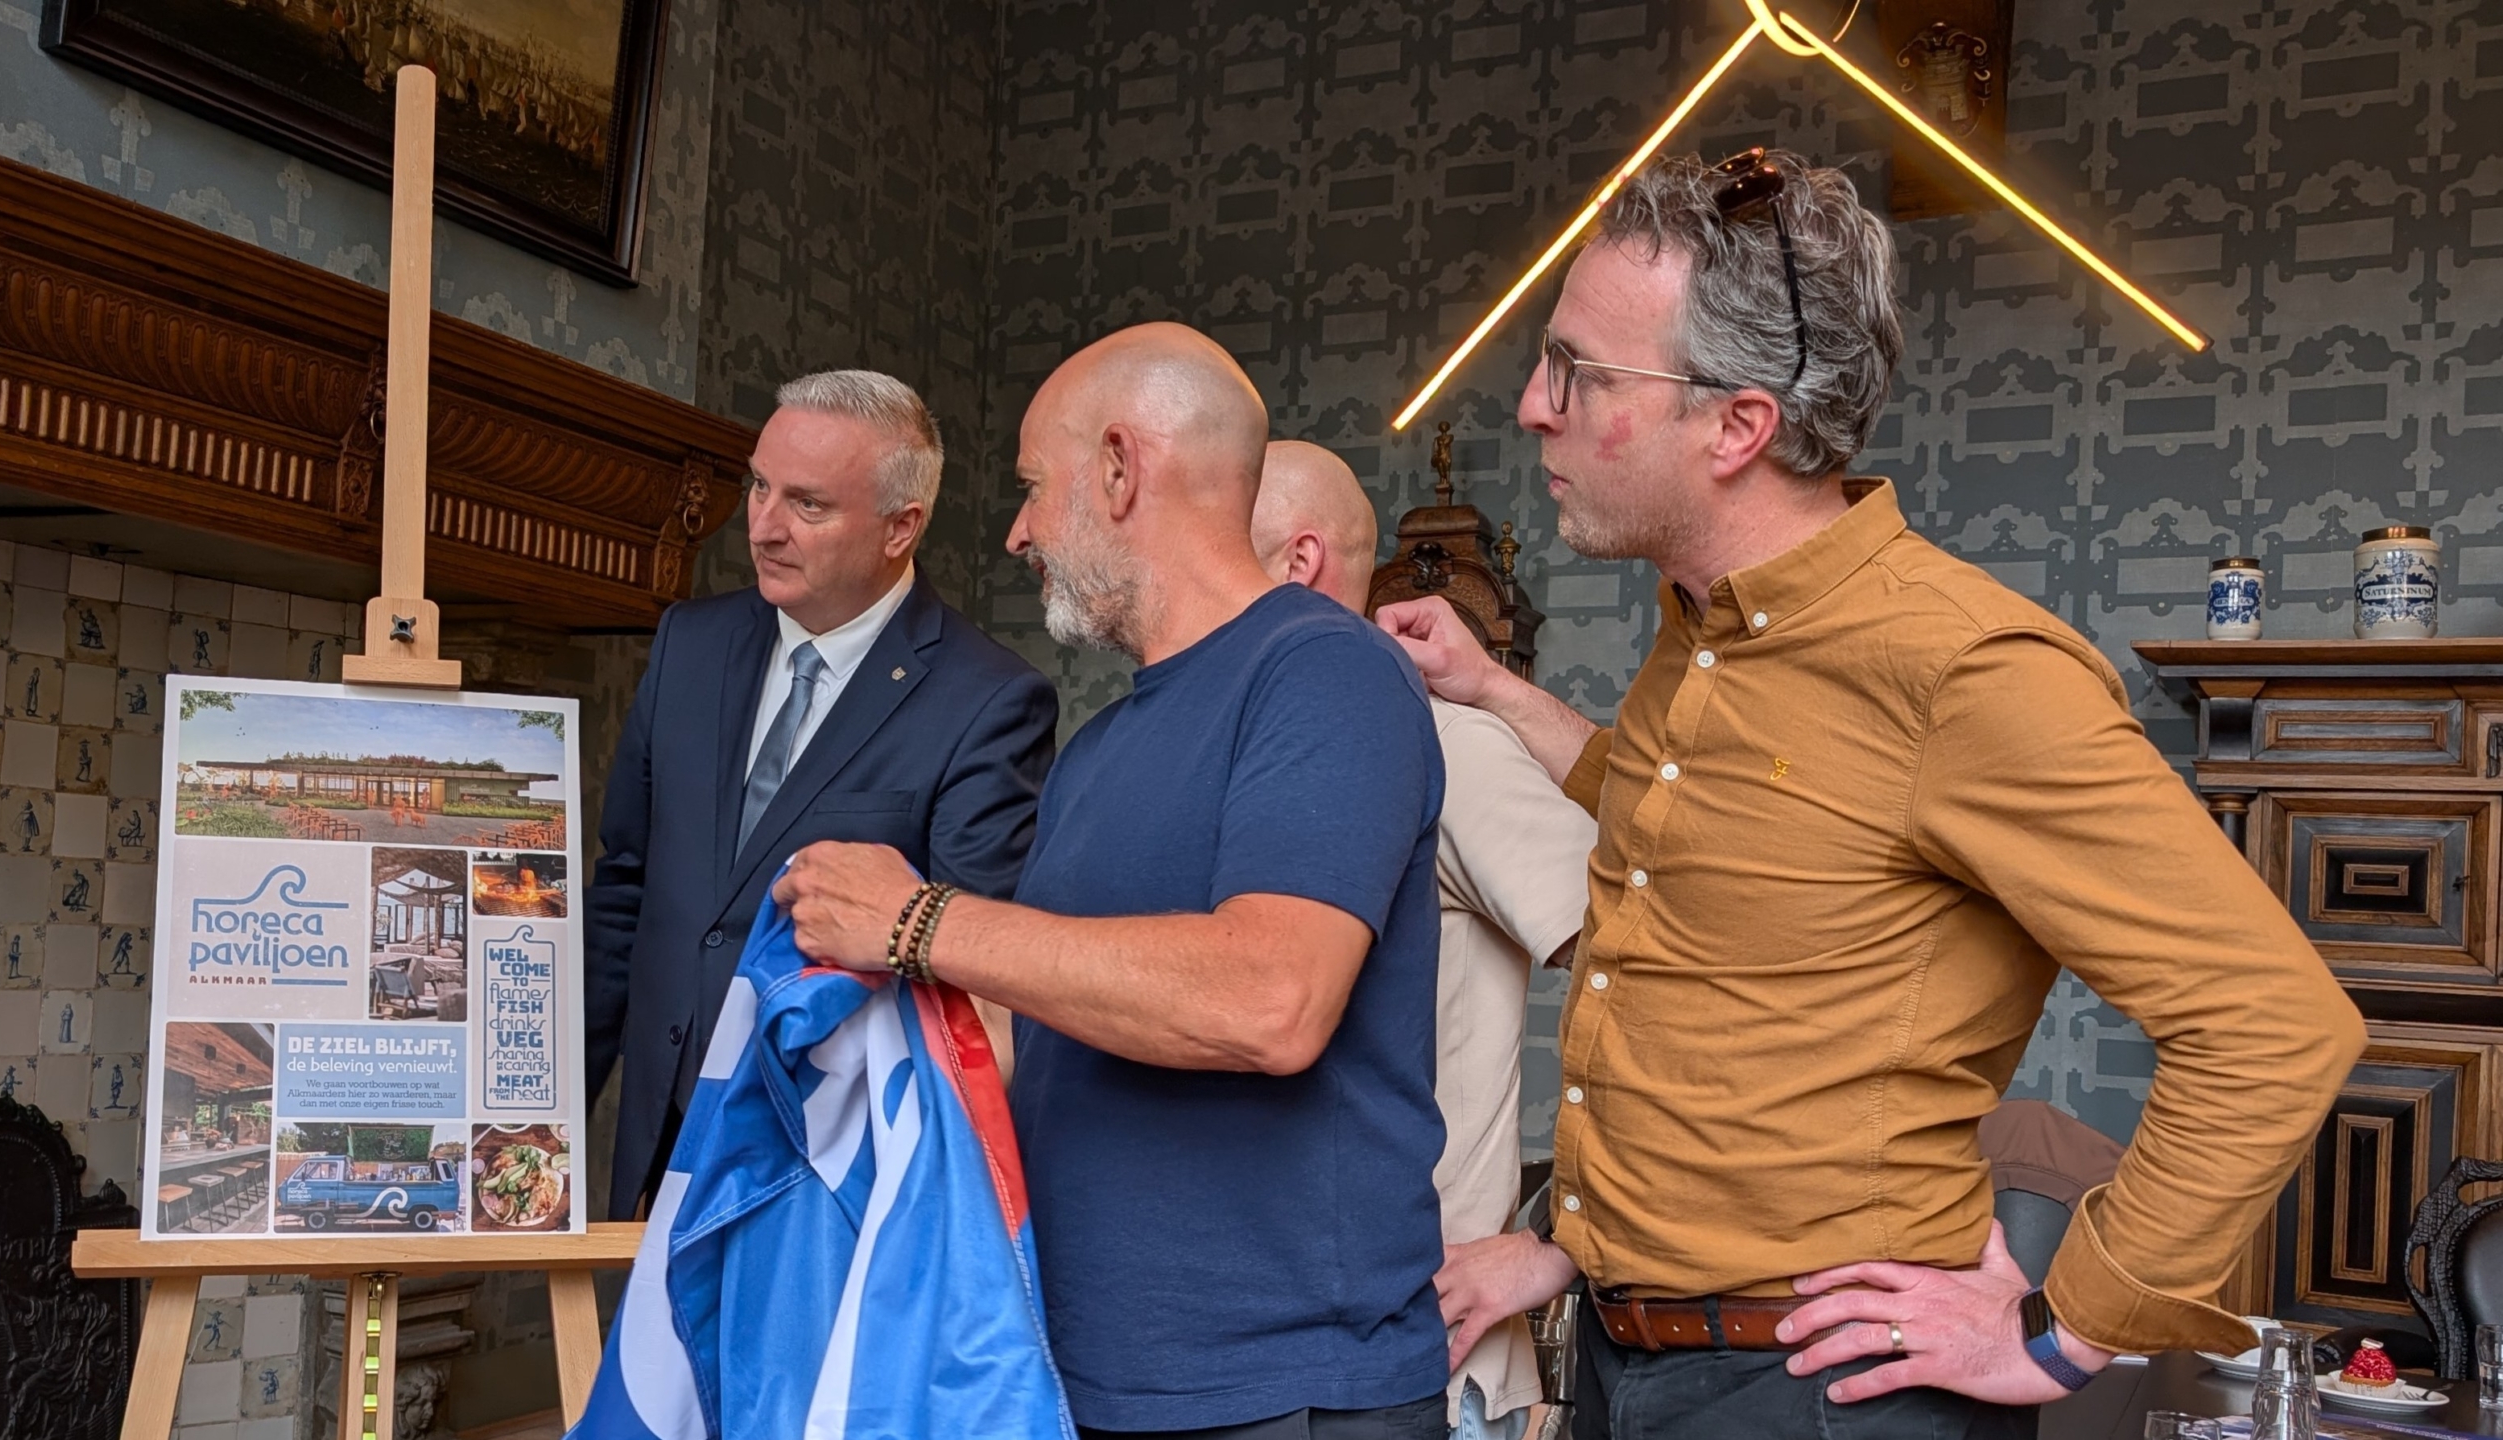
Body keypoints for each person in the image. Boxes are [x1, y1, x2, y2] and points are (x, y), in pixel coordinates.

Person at [1379, 151, 2366, 1440]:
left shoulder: (1966, 671)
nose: (1530, 407)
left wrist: (2063, 1331)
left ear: (1737, 426)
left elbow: (2272, 1021)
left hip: (1827, 1397)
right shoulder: (1706, 627)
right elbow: (1705, 831)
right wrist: (1493, 693)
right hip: (1637, 1365)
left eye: (1580, 372)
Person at [772, 323, 1452, 1439]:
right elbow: (1038, 1024)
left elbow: (1269, 999)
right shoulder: (1097, 748)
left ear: (1122, 469)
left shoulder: (1327, 670)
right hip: (1081, 1375)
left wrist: (917, 920)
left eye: (1033, 487)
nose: (1017, 531)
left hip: (1282, 1397)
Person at [585, 369, 1058, 1221]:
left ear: (900, 526)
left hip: (825, 1180)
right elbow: (626, 894)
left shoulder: (989, 703)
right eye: (759, 486)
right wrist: (535, 1122)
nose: (763, 526)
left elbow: (972, 983)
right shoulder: (689, 643)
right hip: (659, 1149)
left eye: (807, 504)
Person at [1253, 440, 1596, 1440]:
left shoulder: (1449, 748)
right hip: (1251, 1363)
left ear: (1298, 565)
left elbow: (1667, 981)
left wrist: (1560, 1239)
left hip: (1423, 1366)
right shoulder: (1248, 763)